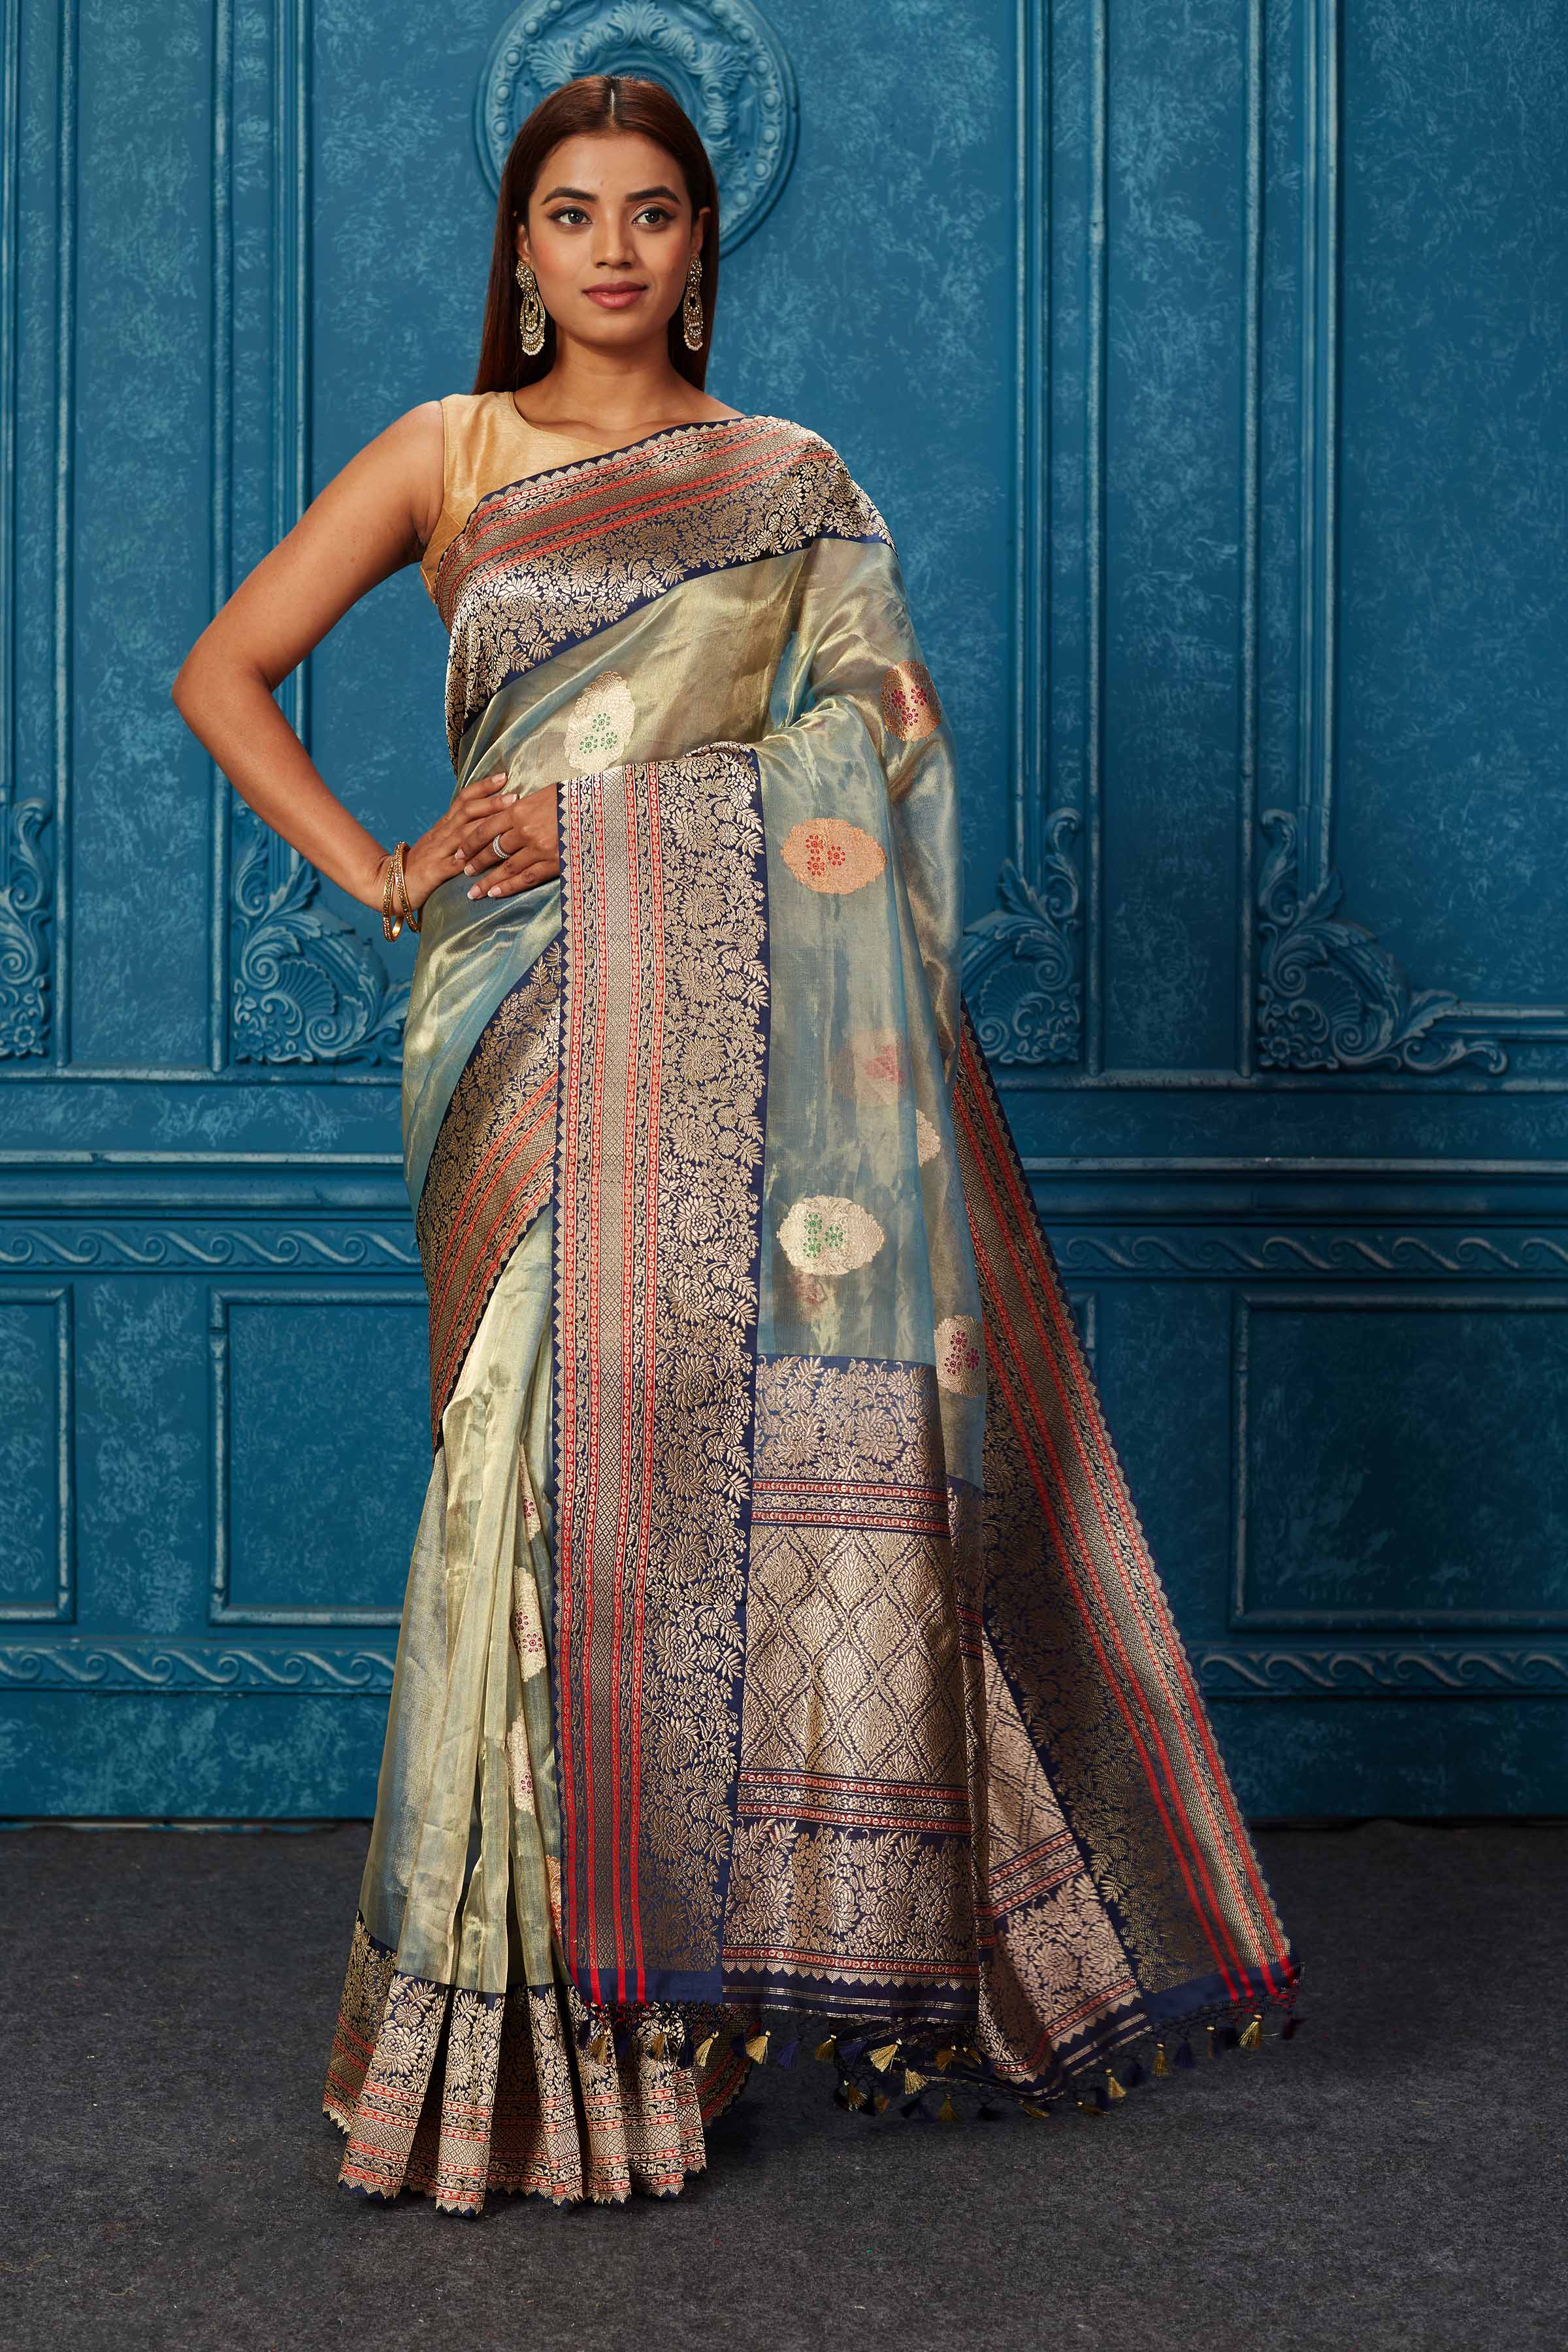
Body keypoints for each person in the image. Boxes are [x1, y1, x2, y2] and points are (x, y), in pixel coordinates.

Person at [171, 71, 1300, 2218]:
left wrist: (620, 822)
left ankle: (664, 2019)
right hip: (514, 1019)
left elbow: (881, 746)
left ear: (703, 244)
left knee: (691, 1468)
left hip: (738, 1023)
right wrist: (391, 872)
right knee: (527, 1467)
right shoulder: (445, 451)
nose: (612, 248)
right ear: (521, 249)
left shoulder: (791, 484)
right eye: (572, 212)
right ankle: (515, 2045)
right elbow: (226, 670)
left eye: (652, 212)